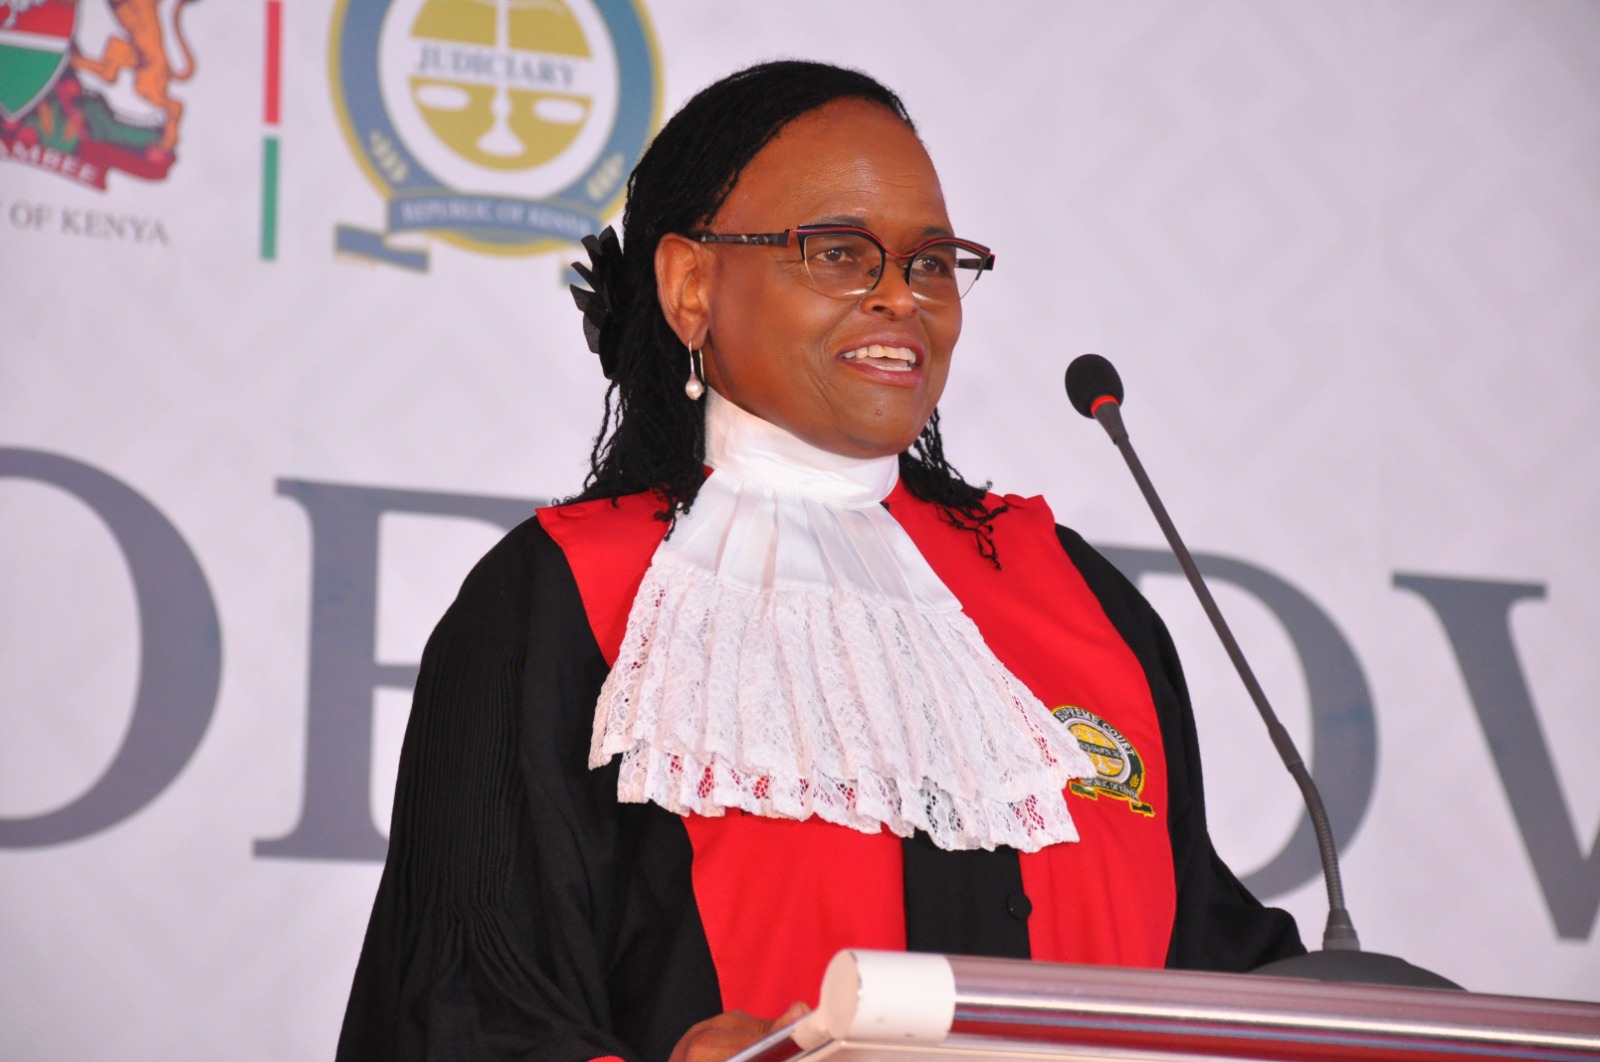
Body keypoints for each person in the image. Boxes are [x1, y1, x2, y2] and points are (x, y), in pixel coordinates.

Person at [336, 60, 1303, 1062]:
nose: (901, 298)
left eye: (930, 263)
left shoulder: (1074, 596)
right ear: (690, 286)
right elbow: (462, 1016)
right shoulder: (562, 598)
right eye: (838, 252)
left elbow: (1208, 964)